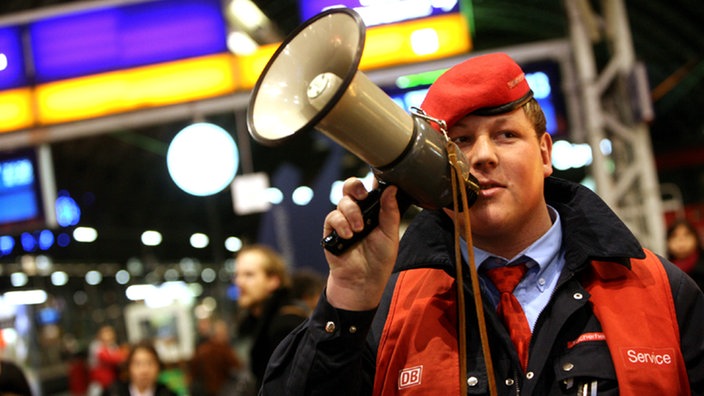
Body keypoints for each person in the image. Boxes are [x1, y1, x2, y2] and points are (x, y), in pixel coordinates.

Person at [259, 53, 704, 395]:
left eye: (506, 135)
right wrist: (348, 301)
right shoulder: (386, 310)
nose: (483, 156)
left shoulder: (662, 290)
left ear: (545, 153)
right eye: (460, 142)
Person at [233, 245, 308, 389]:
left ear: (273, 281)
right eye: (237, 275)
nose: (239, 282)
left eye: (249, 275)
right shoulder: (253, 323)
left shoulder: (287, 325)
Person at [188, 318, 245, 396]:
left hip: (206, 392)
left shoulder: (201, 350)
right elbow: (238, 367)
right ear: (218, 334)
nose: (227, 336)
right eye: (225, 333)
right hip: (224, 391)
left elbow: (191, 374)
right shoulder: (224, 350)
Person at [101, 341, 177, 396]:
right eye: (138, 364)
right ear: (129, 367)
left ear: (158, 367)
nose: (144, 370)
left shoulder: (168, 393)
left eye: (149, 363)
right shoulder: (114, 392)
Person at [88, 325, 127, 396]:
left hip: (113, 382)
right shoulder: (96, 346)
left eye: (110, 335)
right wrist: (123, 357)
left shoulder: (113, 346)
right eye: (105, 334)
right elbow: (109, 358)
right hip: (100, 383)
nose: (108, 337)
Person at [666, 218, 704, 290]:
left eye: (686, 235)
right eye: (674, 236)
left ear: (696, 238)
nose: (681, 240)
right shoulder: (666, 271)